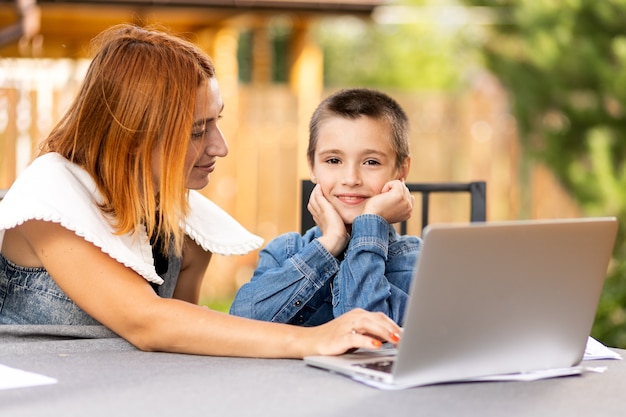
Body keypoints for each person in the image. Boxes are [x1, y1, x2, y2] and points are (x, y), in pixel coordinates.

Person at [0, 24, 402, 358]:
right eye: (197, 131)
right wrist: (313, 339)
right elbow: (148, 322)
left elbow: (184, 342)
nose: (219, 146)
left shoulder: (187, 232)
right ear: (133, 133)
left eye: (216, 122)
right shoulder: (50, 196)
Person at [230, 88, 421, 326]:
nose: (351, 179)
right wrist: (330, 242)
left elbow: (364, 337)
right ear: (312, 166)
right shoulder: (284, 251)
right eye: (333, 160)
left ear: (402, 170)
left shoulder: (418, 261)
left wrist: (371, 220)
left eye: (371, 162)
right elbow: (240, 323)